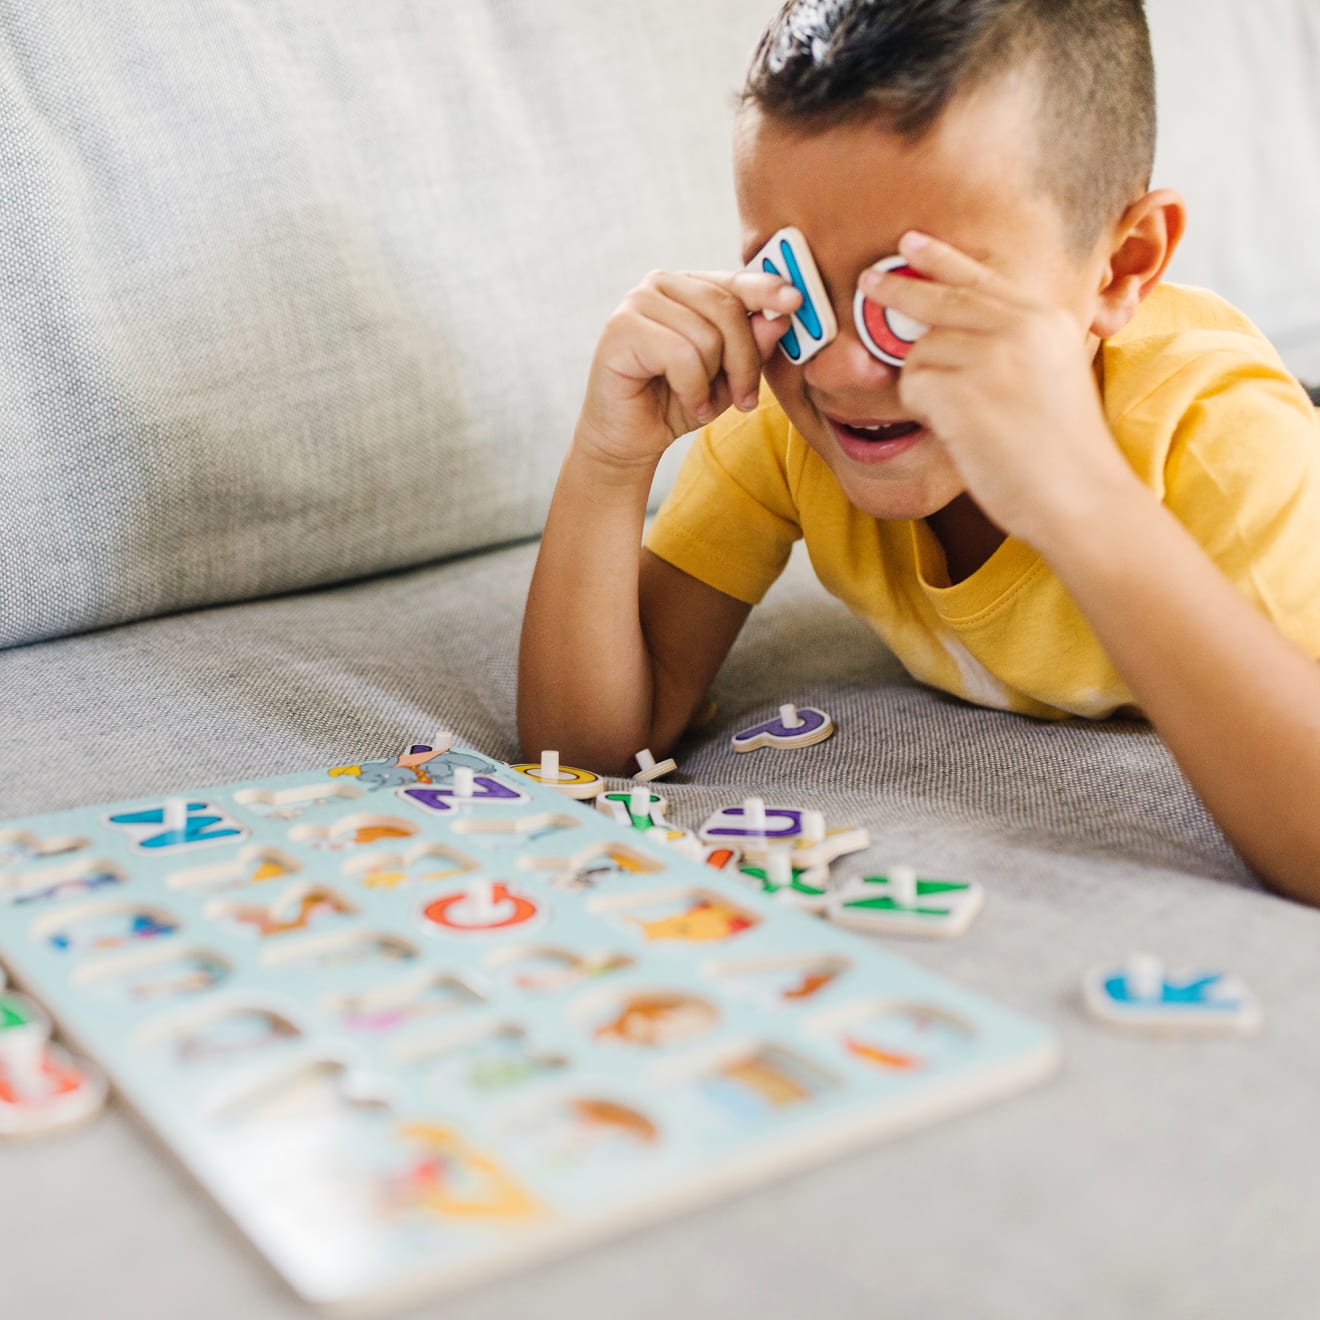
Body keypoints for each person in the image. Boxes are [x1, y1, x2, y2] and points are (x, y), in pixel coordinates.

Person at [518, 0, 1320, 902]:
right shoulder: (780, 412)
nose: (845, 371)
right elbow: (586, 753)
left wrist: (1079, 494)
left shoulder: (1215, 439)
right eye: (795, 283)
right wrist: (608, 458)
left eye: (915, 296)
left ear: (1122, 266)